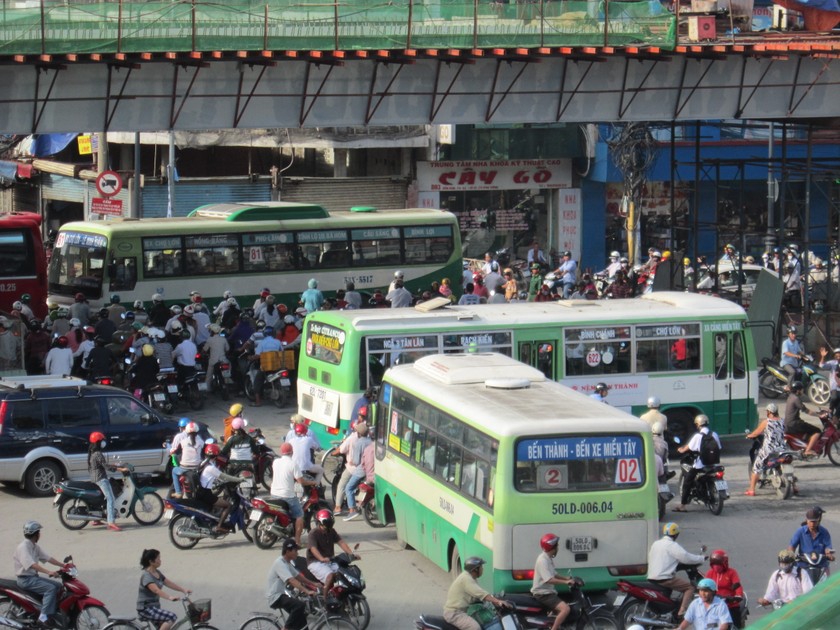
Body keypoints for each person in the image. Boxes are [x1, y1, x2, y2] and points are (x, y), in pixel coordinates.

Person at [647, 523, 706, 619]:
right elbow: (686, 557)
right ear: (676, 534)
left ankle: (671, 610)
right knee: (690, 588)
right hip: (664, 578)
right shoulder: (672, 545)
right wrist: (701, 558)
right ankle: (681, 612)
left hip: (652, 576)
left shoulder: (656, 544)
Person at [14, 521, 64, 628]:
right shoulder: (23, 547)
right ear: (35, 534)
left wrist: (63, 565)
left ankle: (50, 612)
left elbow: (48, 558)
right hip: (25, 580)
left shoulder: (34, 546)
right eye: (39, 532)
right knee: (50, 589)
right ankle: (43, 617)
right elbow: (32, 565)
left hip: (32, 578)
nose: (40, 535)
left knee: (58, 586)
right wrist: (48, 572)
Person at [266, 539, 321, 630]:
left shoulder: (287, 563)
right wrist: (307, 591)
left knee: (300, 615)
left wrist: (314, 584)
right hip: (275, 597)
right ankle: (286, 628)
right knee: (299, 605)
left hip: (281, 595)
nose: (297, 553)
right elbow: (292, 580)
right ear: (288, 551)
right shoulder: (279, 563)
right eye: (295, 551)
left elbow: (298, 576)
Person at [443, 556, 510, 630]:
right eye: (481, 567)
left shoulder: (470, 578)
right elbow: (481, 594)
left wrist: (492, 600)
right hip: (455, 614)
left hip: (461, 612)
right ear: (475, 569)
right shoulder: (466, 579)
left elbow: (478, 596)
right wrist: (498, 601)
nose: (482, 569)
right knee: (475, 628)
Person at [673, 414, 721, 512]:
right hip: (714, 464)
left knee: (687, 482)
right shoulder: (714, 434)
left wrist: (680, 450)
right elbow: (719, 447)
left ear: (698, 425)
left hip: (700, 464)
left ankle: (682, 506)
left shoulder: (698, 436)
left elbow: (688, 448)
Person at [307, 509, 359, 598]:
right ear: (320, 523)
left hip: (330, 561)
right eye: (326, 525)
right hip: (315, 562)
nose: (327, 528)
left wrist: (351, 554)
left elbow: (341, 542)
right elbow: (313, 549)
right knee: (330, 575)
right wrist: (321, 559)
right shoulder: (313, 533)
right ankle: (325, 598)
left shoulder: (331, 531)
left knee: (345, 573)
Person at [271, 442, 315, 546]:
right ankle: (298, 541)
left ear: (281, 452)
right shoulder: (293, 463)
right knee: (299, 515)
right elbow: (301, 481)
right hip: (287, 495)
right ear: (292, 452)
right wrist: (312, 482)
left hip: (274, 493)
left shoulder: (276, 462)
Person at [531, 534, 579, 630]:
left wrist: (566, 578)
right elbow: (549, 579)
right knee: (565, 609)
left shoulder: (547, 558)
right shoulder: (543, 560)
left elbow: (554, 573)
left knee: (563, 608)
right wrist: (566, 582)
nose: (558, 548)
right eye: (557, 545)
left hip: (548, 592)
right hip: (543, 594)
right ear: (552, 547)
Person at [136, 549, 191, 630]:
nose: (160, 560)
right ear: (151, 561)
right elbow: (156, 590)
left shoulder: (157, 572)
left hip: (154, 607)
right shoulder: (146, 576)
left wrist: (183, 590)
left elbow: (168, 583)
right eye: (158, 558)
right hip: (146, 609)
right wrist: (170, 597)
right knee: (171, 617)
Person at [197, 443, 243, 533]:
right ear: (215, 455)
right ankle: (219, 526)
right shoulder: (211, 468)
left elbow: (209, 478)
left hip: (200, 492)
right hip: (206, 494)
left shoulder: (203, 463)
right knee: (228, 505)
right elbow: (224, 477)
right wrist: (239, 479)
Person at [745, 403, 788, 496]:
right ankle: (795, 487)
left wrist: (749, 435)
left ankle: (751, 489)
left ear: (769, 412)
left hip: (769, 449)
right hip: (782, 449)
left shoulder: (767, 422)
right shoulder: (783, 421)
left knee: (756, 467)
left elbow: (756, 432)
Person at [88, 431, 128, 531]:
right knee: (111, 498)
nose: (103, 442)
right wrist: (120, 469)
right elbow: (106, 467)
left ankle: (97, 519)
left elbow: (101, 465)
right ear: (98, 442)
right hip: (101, 479)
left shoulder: (92, 453)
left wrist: (114, 465)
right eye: (102, 440)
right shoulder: (98, 454)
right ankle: (111, 522)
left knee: (102, 498)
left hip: (95, 478)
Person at [704, 549, 744, 627]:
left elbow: (737, 586)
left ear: (724, 563)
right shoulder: (710, 573)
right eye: (714, 564)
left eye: (718, 564)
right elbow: (705, 586)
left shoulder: (732, 572)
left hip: (730, 604)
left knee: (736, 625)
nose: (716, 566)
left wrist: (738, 595)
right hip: (714, 604)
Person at [789, 506, 835, 574]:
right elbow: (792, 547)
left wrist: (828, 554)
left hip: (821, 566)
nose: (812, 524)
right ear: (807, 520)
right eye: (811, 521)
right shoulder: (800, 531)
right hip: (804, 566)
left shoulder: (824, 532)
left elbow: (828, 546)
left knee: (827, 582)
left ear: (818, 520)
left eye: (814, 522)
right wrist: (790, 556)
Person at [343, 422, 373, 521]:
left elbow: (356, 461)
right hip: (371, 470)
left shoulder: (358, 443)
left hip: (361, 470)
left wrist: (351, 462)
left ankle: (352, 510)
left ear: (359, 433)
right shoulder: (371, 442)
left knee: (348, 488)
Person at [169, 421, 204, 499]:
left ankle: (178, 492)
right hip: (196, 468)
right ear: (197, 432)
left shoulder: (183, 442)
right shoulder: (201, 442)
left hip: (183, 468)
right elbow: (202, 454)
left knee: (174, 471)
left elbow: (175, 452)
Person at [785, 381, 821, 457]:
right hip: (794, 423)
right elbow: (807, 411)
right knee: (817, 431)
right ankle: (808, 450)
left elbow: (806, 404)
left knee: (807, 427)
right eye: (802, 390)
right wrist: (819, 415)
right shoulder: (796, 399)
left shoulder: (791, 396)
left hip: (788, 423)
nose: (802, 391)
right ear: (798, 390)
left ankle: (805, 444)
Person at [202, 323, 229, 389]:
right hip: (223, 360)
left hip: (213, 361)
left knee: (209, 376)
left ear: (212, 331)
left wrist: (202, 353)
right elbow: (227, 349)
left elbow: (204, 350)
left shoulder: (210, 340)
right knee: (228, 372)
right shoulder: (223, 339)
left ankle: (207, 389)